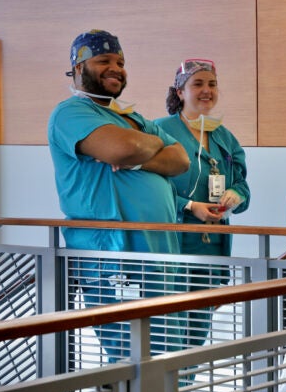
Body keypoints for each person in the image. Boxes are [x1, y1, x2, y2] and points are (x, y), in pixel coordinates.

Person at [48, 29, 191, 360]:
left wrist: (137, 157)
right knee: (129, 355)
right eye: (103, 61)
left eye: (121, 61)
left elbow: (180, 159)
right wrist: (143, 144)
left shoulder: (130, 117)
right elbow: (122, 148)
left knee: (169, 347)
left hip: (157, 249)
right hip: (111, 250)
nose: (116, 67)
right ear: (78, 68)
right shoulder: (70, 113)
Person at [155, 58, 250, 347]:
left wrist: (236, 195)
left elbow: (243, 185)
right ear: (180, 91)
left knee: (196, 336)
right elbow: (150, 188)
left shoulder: (224, 137)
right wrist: (189, 206)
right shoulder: (160, 131)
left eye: (212, 84)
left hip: (211, 250)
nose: (206, 90)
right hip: (174, 246)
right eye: (197, 84)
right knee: (169, 336)